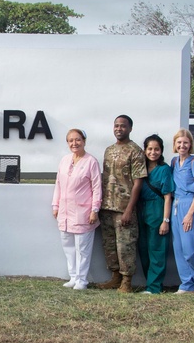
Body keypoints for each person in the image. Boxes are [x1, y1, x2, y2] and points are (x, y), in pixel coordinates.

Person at [97, 115, 146, 293]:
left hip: (124, 208)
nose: (119, 129)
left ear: (130, 128)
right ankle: (115, 277)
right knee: (109, 244)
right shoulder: (109, 150)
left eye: (123, 126)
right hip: (107, 206)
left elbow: (138, 182)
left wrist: (129, 209)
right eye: (116, 126)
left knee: (125, 245)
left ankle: (126, 281)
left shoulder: (135, 151)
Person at [52, 128, 102, 290]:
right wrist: (55, 205)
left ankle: (82, 280)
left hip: (84, 212)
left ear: (84, 141)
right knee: (68, 246)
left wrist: (95, 209)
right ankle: (73, 276)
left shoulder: (91, 161)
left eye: (78, 139)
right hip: (65, 212)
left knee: (83, 248)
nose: (75, 143)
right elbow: (58, 185)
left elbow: (96, 187)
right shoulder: (65, 160)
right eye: (71, 140)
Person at [170, 129, 194, 293]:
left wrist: (191, 213)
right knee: (178, 248)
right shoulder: (174, 162)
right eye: (179, 142)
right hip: (175, 206)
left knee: (190, 249)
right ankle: (186, 283)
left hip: (189, 204)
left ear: (190, 144)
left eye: (185, 142)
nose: (182, 145)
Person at [137, 134, 173, 295]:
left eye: (156, 149)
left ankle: (154, 287)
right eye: (150, 149)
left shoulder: (164, 170)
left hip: (157, 210)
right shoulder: (141, 168)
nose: (153, 152)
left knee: (157, 250)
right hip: (141, 210)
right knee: (144, 249)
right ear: (145, 150)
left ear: (161, 151)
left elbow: (167, 196)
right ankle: (149, 284)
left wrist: (165, 220)